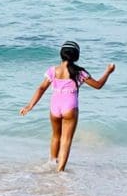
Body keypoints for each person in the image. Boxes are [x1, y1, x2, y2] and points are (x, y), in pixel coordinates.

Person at [19, 40, 115, 172]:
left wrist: (29, 106)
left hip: (55, 107)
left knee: (55, 136)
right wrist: (108, 71)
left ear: (61, 54)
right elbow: (98, 85)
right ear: (76, 56)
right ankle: (60, 171)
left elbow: (41, 88)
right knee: (66, 140)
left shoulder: (53, 71)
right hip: (70, 107)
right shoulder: (79, 72)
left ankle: (51, 163)